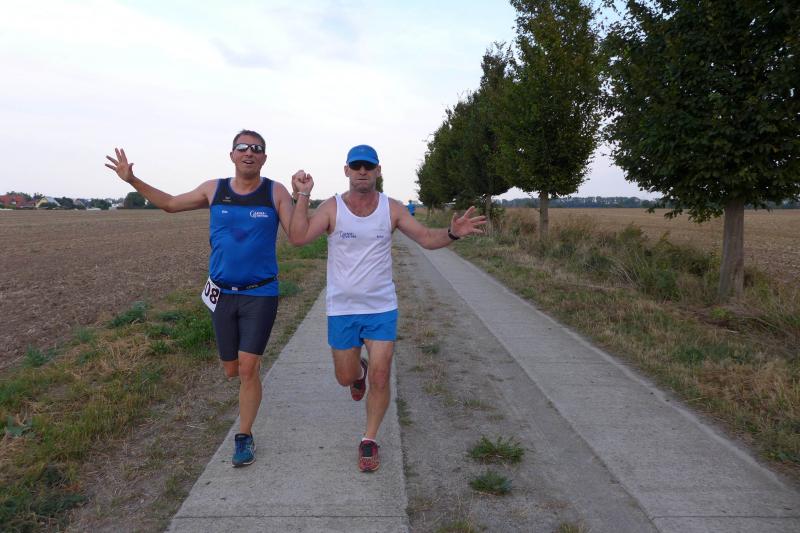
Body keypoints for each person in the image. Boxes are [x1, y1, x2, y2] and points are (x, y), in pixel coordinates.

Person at [288, 144, 485, 472]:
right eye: (356, 166)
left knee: (382, 375)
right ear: (346, 170)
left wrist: (453, 233)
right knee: (345, 377)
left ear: (378, 171)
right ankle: (358, 373)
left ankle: (369, 439)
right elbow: (298, 238)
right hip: (343, 308)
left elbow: (426, 238)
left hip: (381, 307)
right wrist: (303, 196)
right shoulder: (332, 208)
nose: (362, 172)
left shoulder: (391, 209)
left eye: (368, 166)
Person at [105, 130, 294, 468]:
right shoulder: (214, 189)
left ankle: (244, 435)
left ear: (264, 158)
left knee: (248, 368)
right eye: (242, 147)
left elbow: (298, 233)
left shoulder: (275, 191)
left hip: (261, 293)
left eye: (256, 149)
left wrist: (303, 196)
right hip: (221, 294)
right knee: (231, 370)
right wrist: (132, 180)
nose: (249, 153)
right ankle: (248, 378)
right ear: (231, 155)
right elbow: (170, 204)